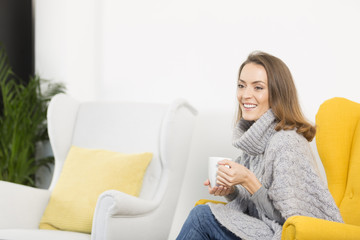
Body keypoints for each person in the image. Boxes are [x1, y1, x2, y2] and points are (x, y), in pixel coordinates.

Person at [176, 51, 343, 240]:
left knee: (201, 217)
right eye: (241, 86)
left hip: (280, 236)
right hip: (264, 232)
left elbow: (294, 223)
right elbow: (256, 210)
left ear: (277, 94)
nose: (245, 95)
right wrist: (231, 190)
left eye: (258, 88)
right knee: (202, 214)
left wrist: (248, 179)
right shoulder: (256, 142)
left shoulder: (287, 143)